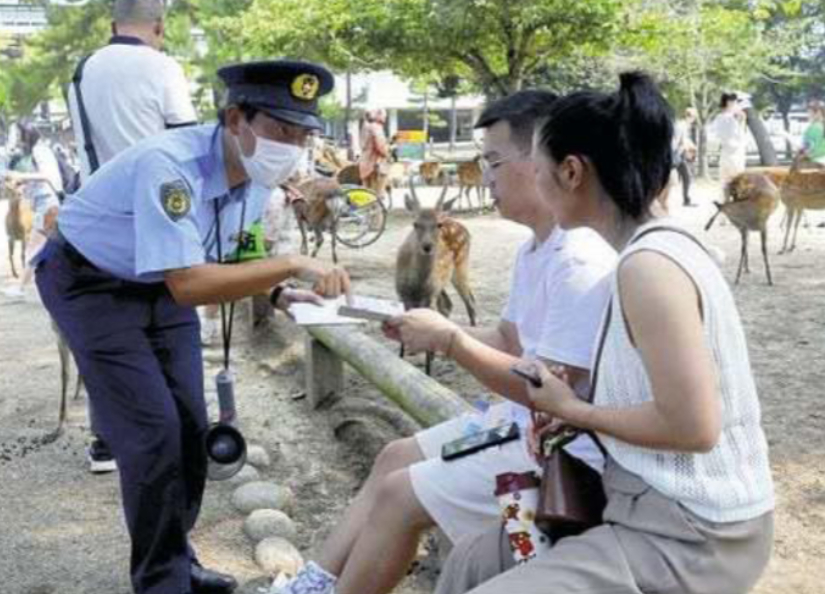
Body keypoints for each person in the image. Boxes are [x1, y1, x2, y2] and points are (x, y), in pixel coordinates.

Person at [434, 72, 774, 594]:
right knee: (472, 565)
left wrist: (574, 410)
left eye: (539, 168)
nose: (535, 182)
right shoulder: (651, 252)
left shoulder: (648, 267)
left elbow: (695, 427)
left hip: (693, 534)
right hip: (645, 506)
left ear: (571, 172)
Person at [270, 90, 618, 594]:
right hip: (516, 426)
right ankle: (313, 584)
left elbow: (548, 394)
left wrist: (451, 341)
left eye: (494, 161)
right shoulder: (536, 249)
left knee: (399, 494)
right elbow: (508, 340)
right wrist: (415, 326)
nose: (487, 176)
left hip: (558, 452)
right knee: (394, 457)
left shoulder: (579, 259)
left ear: (547, 161)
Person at [34, 60, 351, 594]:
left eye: (302, 134)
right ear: (235, 120)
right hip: (90, 284)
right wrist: (292, 264)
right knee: (151, 431)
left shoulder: (254, 176)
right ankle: (161, 583)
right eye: (280, 130)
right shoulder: (171, 165)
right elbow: (188, 284)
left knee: (189, 426)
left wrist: (275, 291)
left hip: (158, 281)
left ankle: (177, 559)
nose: (292, 146)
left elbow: (218, 260)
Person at [66, 0, 198, 474]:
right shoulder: (162, 67)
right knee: (164, 328)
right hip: (155, 217)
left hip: (96, 222)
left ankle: (106, 440)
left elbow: (85, 150)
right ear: (160, 26)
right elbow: (185, 143)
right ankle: (177, 435)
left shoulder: (84, 70)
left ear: (112, 23)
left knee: (107, 338)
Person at [2, 123, 63, 299]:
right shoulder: (33, 152)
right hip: (43, 203)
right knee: (42, 247)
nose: (16, 139)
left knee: (34, 248)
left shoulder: (40, 150)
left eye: (18, 134)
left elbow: (47, 175)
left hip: (47, 203)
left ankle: (21, 288)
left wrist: (21, 176)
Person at [712, 91, 749, 185]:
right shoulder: (730, 118)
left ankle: (725, 198)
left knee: (725, 181)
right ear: (729, 102)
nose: (737, 104)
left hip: (727, 152)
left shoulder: (719, 117)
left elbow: (717, 135)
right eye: (735, 101)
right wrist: (741, 120)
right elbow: (738, 136)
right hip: (734, 153)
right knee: (736, 179)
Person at [358, 108, 390, 198]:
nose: (385, 118)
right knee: (377, 194)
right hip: (375, 164)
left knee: (367, 192)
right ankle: (377, 210)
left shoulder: (365, 126)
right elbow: (380, 146)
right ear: (378, 115)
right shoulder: (376, 127)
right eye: (384, 115)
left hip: (364, 163)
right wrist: (387, 154)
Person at [672, 106, 697, 207]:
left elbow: (684, 141)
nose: (694, 120)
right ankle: (686, 200)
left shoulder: (682, 125)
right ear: (690, 116)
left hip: (679, 155)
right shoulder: (681, 125)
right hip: (676, 155)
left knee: (687, 177)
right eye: (694, 117)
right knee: (685, 177)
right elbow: (679, 142)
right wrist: (688, 148)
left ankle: (686, 200)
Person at [799, 99, 825, 167]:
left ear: (818, 113)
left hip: (814, 164)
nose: (808, 115)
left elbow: (807, 149)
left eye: (809, 112)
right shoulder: (820, 126)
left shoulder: (814, 128)